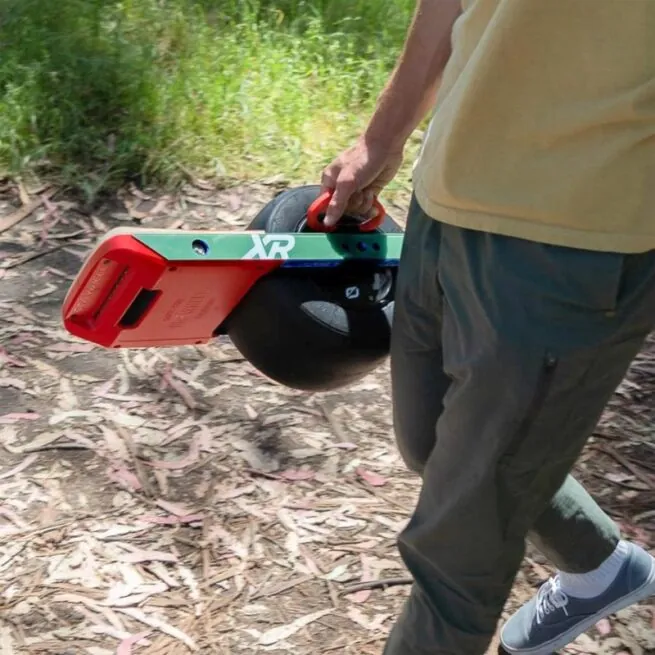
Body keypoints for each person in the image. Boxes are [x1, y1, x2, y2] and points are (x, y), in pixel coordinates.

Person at [319, 1, 655, 653]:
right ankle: (600, 568)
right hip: (449, 192)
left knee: (455, 553)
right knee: (430, 440)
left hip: (575, 233)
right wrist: (382, 136)